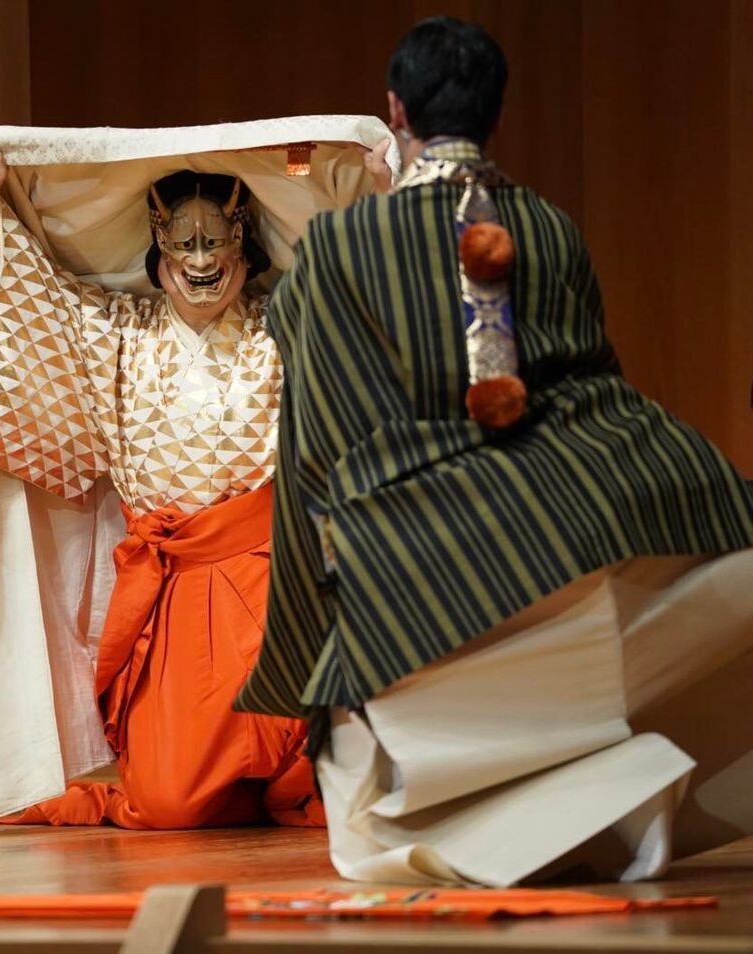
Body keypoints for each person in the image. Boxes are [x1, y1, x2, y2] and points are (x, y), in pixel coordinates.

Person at [238, 17, 753, 886]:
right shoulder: (550, 225)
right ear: (495, 113)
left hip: (435, 549)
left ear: (395, 110)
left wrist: (304, 631)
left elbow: (319, 436)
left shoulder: (340, 244)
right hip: (594, 513)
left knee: (363, 754)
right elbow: (595, 380)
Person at [0, 145, 389, 829]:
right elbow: (34, 295)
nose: (200, 261)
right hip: (176, 586)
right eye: (183, 244)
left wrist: (386, 191)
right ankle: (217, 787)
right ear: (158, 248)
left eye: (215, 243)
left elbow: (367, 288)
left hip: (275, 576)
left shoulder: (286, 324)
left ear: (243, 243)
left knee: (317, 769)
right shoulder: (119, 332)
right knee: (169, 801)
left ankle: (279, 776)